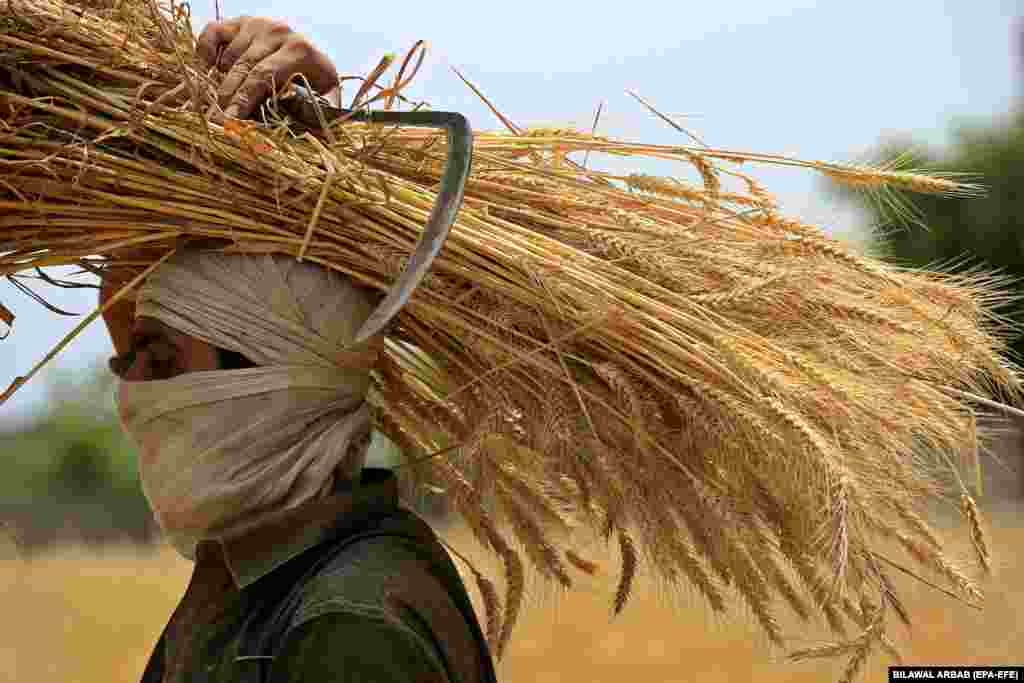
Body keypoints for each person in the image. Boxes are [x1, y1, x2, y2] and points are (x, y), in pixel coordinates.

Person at [100, 16, 496, 683]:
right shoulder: (257, 571)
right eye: (134, 361)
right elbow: (138, 301)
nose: (133, 398)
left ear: (278, 388)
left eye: (161, 361)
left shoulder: (347, 632)